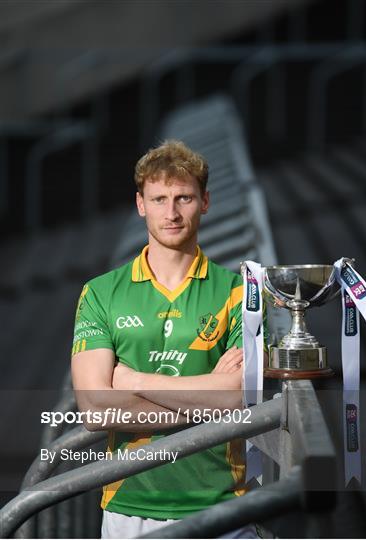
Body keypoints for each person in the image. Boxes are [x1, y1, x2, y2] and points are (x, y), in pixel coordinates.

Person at [71, 140, 259, 538]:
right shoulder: (100, 292)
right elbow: (95, 410)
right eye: (159, 199)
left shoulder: (239, 291)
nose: (171, 213)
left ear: (205, 202)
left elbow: (240, 396)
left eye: (184, 198)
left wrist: (136, 381)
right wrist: (208, 404)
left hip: (223, 505)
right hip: (129, 508)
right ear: (140, 204)